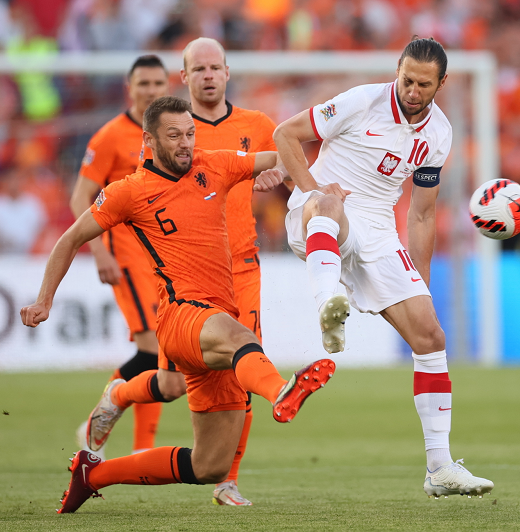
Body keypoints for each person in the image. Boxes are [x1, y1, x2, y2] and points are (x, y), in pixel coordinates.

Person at [21, 96, 335, 514]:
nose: (186, 143)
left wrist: (308, 167)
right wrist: (44, 300)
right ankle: (281, 391)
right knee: (241, 338)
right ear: (149, 140)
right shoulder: (129, 192)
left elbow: (280, 153)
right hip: (180, 315)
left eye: (189, 133)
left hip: (216, 315)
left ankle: (91, 475)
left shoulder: (215, 164)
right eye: (174, 135)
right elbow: (70, 239)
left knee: (209, 465)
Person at [273, 37, 494, 499]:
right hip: (320, 210)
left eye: (423, 84)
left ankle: (439, 467)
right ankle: (325, 299)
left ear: (441, 84)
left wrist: (422, 285)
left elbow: (422, 214)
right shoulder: (361, 101)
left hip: (376, 229)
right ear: (398, 69)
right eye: (407, 79)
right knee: (330, 204)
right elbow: (285, 135)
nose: (412, 90)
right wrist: (312, 188)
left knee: (431, 337)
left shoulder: (440, 133)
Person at [82, 38, 281, 506]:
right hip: (183, 280)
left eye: (217, 67)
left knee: (245, 359)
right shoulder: (171, 133)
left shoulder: (257, 125)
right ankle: (122, 393)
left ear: (228, 72)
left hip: (241, 268)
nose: (209, 75)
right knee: (170, 384)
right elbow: (138, 197)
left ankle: (227, 478)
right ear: (185, 77)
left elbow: (287, 167)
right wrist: (102, 249)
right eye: (200, 68)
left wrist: (290, 181)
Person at [70, 55, 171, 460]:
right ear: (129, 87)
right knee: (153, 349)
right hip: (125, 253)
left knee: (164, 356)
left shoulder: (172, 132)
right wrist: (97, 250)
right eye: (143, 83)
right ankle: (105, 409)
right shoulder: (110, 136)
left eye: (158, 83)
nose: (150, 90)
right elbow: (81, 196)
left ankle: (141, 450)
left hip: (163, 259)